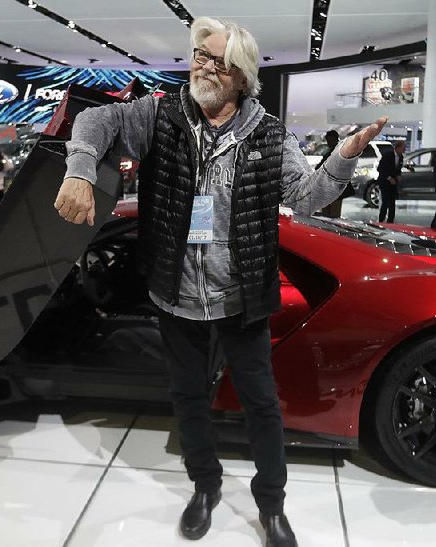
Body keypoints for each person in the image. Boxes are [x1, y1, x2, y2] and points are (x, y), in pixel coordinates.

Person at [53, 16, 386, 546]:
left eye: (214, 59)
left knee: (260, 403)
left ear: (240, 75)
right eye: (198, 54)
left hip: (241, 296)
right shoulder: (160, 114)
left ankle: (271, 504)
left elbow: (305, 195)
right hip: (174, 292)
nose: (200, 65)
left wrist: (342, 158)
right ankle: (204, 486)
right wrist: (80, 168)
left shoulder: (269, 132)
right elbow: (96, 120)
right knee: (188, 399)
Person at [317, 130, 346, 218]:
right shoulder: (334, 151)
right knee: (329, 215)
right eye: (327, 141)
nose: (328, 143)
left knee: (333, 216)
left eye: (329, 141)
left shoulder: (339, 151)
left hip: (335, 188)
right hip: (329, 188)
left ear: (335, 139)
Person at [377, 140, 406, 223]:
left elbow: (397, 169)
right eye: (403, 148)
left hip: (393, 182)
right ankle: (381, 220)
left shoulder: (401, 157)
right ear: (398, 148)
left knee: (392, 202)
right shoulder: (387, 155)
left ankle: (390, 221)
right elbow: (380, 169)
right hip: (384, 181)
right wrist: (389, 178)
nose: (404, 150)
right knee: (385, 201)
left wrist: (398, 175)